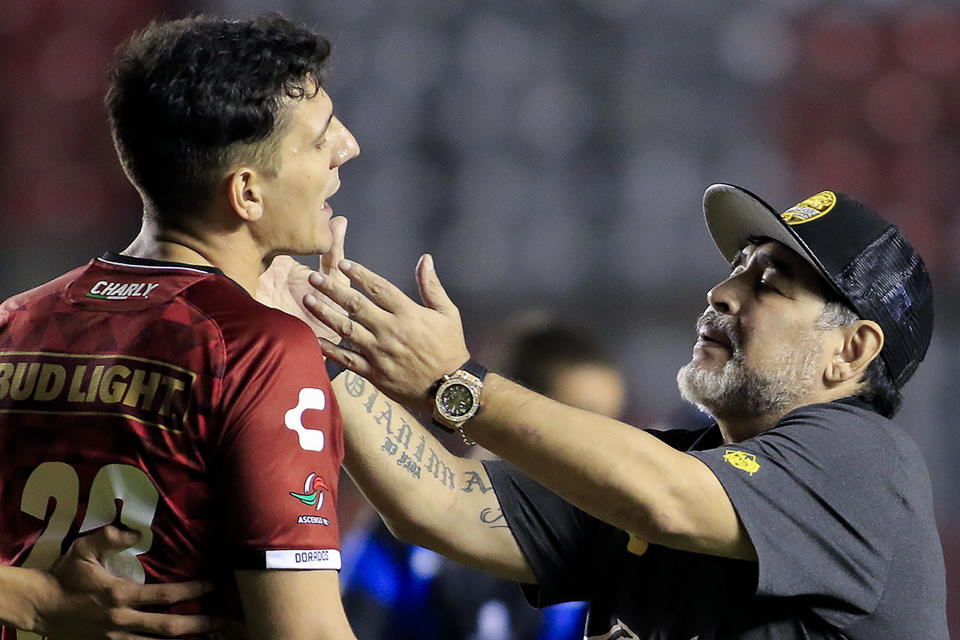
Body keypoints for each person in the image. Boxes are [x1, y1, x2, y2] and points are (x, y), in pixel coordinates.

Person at [303, 184, 948, 638]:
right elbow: (442, 503)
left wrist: (457, 382)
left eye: (767, 284)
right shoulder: (673, 469)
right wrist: (299, 340)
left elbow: (662, 498)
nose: (721, 292)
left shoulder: (869, 466)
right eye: (735, 269)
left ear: (851, 349)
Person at [0, 14, 359, 638]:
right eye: (319, 137)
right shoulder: (255, 348)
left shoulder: (14, 321)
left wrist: (29, 600)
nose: (347, 147)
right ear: (247, 193)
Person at [338, 321, 627, 639]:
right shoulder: (400, 537)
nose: (603, 446)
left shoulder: (606, 550)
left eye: (611, 424)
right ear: (517, 414)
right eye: (583, 419)